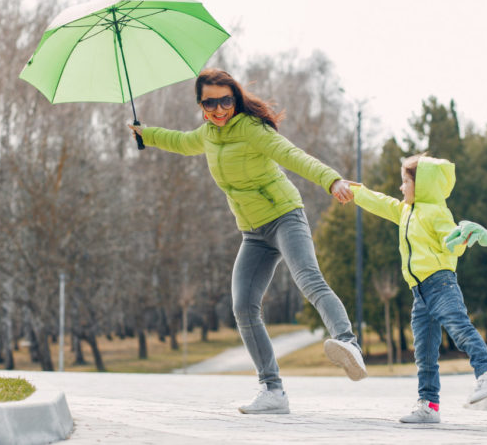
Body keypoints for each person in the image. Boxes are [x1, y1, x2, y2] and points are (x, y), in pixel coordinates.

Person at [128, 68, 367, 415]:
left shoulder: (253, 130)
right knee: (243, 306)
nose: (219, 109)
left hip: (285, 216)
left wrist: (331, 181)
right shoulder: (208, 135)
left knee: (308, 280)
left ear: (235, 99)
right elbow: (179, 142)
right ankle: (272, 391)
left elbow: (293, 155)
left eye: (226, 100)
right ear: (201, 104)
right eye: (210, 102)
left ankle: (348, 344)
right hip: (253, 233)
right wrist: (145, 133)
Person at [348, 154, 487, 424]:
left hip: (440, 283)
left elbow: (450, 242)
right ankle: (429, 405)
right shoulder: (405, 211)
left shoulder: (436, 211)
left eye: (405, 182)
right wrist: (355, 191)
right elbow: (381, 203)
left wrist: (462, 237)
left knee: (460, 329)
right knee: (424, 352)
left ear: (420, 186)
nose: (401, 188)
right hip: (419, 293)